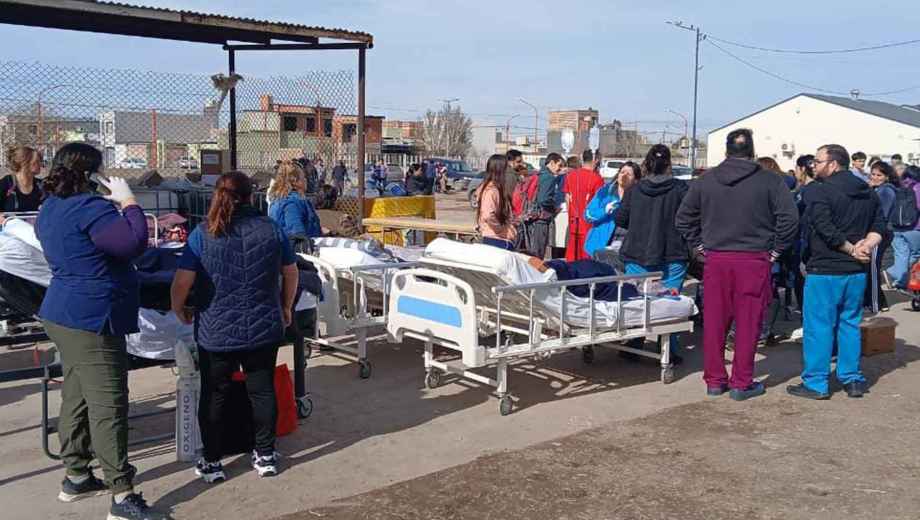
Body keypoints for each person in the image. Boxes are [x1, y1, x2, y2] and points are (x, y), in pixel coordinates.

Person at [34, 143, 162, 519]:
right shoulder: (89, 209)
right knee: (109, 404)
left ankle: (76, 475)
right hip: (92, 319)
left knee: (76, 394)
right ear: (92, 173)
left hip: (61, 313)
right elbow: (133, 244)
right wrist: (130, 203)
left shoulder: (51, 208)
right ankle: (122, 496)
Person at [171, 171, 299, 481]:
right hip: (263, 326)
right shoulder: (272, 229)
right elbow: (291, 272)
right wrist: (285, 306)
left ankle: (212, 461)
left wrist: (178, 308)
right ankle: (265, 455)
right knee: (262, 390)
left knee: (215, 394)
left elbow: (182, 281)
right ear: (250, 196)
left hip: (216, 329)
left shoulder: (204, 233)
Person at [676, 129, 799, 401]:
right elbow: (790, 220)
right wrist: (775, 252)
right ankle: (741, 382)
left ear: (727, 151)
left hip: (717, 259)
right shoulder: (770, 181)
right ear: (752, 152)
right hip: (754, 259)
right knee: (748, 322)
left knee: (715, 321)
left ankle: (715, 380)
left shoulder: (705, 181)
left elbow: (683, 219)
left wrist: (700, 246)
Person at [787, 144, 885, 400]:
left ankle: (816, 383)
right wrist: (867, 244)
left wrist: (853, 249)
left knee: (818, 326)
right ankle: (852, 378)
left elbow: (824, 227)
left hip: (826, 268)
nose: (814, 166)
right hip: (855, 271)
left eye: (818, 161)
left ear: (832, 164)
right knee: (849, 324)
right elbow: (880, 226)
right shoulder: (868, 192)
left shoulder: (818, 191)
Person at [615, 144, 690, 362]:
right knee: (671, 304)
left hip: (637, 254)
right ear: (669, 165)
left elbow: (620, 219)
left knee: (639, 300)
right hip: (673, 254)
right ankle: (669, 349)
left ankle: (636, 341)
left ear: (646, 164)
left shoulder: (635, 190)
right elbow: (692, 217)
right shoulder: (681, 189)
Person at [583, 161, 641, 260]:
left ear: (635, 180)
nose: (624, 176)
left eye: (629, 174)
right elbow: (587, 215)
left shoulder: (639, 196)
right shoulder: (605, 192)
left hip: (624, 247)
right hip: (599, 246)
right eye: (622, 172)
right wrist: (604, 211)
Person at [866, 161, 898, 311]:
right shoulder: (878, 189)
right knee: (870, 266)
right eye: (873, 174)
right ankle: (875, 300)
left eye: (879, 175)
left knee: (873, 267)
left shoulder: (886, 191)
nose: (875, 177)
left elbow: (881, 215)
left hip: (881, 232)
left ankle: (876, 303)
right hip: (876, 231)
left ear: (886, 177)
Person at [562, 149, 605, 261]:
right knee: (587, 262)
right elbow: (600, 203)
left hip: (573, 223)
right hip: (589, 226)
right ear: (595, 160)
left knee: (572, 260)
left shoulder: (570, 175)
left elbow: (567, 198)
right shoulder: (597, 178)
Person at [267, 160, 322, 242]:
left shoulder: (277, 200)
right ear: (295, 181)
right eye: (303, 177)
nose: (305, 180)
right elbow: (297, 234)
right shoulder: (292, 202)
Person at [886, 165, 920, 291]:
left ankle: (900, 280)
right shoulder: (918, 188)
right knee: (915, 254)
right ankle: (895, 273)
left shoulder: (899, 187)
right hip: (914, 227)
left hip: (896, 228)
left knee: (901, 254)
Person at [526, 153, 565, 258]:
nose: (560, 169)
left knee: (531, 251)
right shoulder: (549, 178)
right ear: (552, 163)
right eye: (559, 165)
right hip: (541, 219)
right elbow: (544, 199)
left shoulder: (539, 174)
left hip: (532, 217)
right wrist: (554, 208)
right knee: (538, 253)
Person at [475, 154, 516, 250]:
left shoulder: (495, 189)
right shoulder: (491, 190)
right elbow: (488, 215)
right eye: (506, 169)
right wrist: (501, 229)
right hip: (495, 239)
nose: (508, 173)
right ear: (500, 171)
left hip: (495, 237)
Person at [1, 146, 44, 221]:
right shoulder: (6, 184)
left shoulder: (41, 185)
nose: (41, 164)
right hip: (10, 230)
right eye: (37, 161)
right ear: (25, 164)